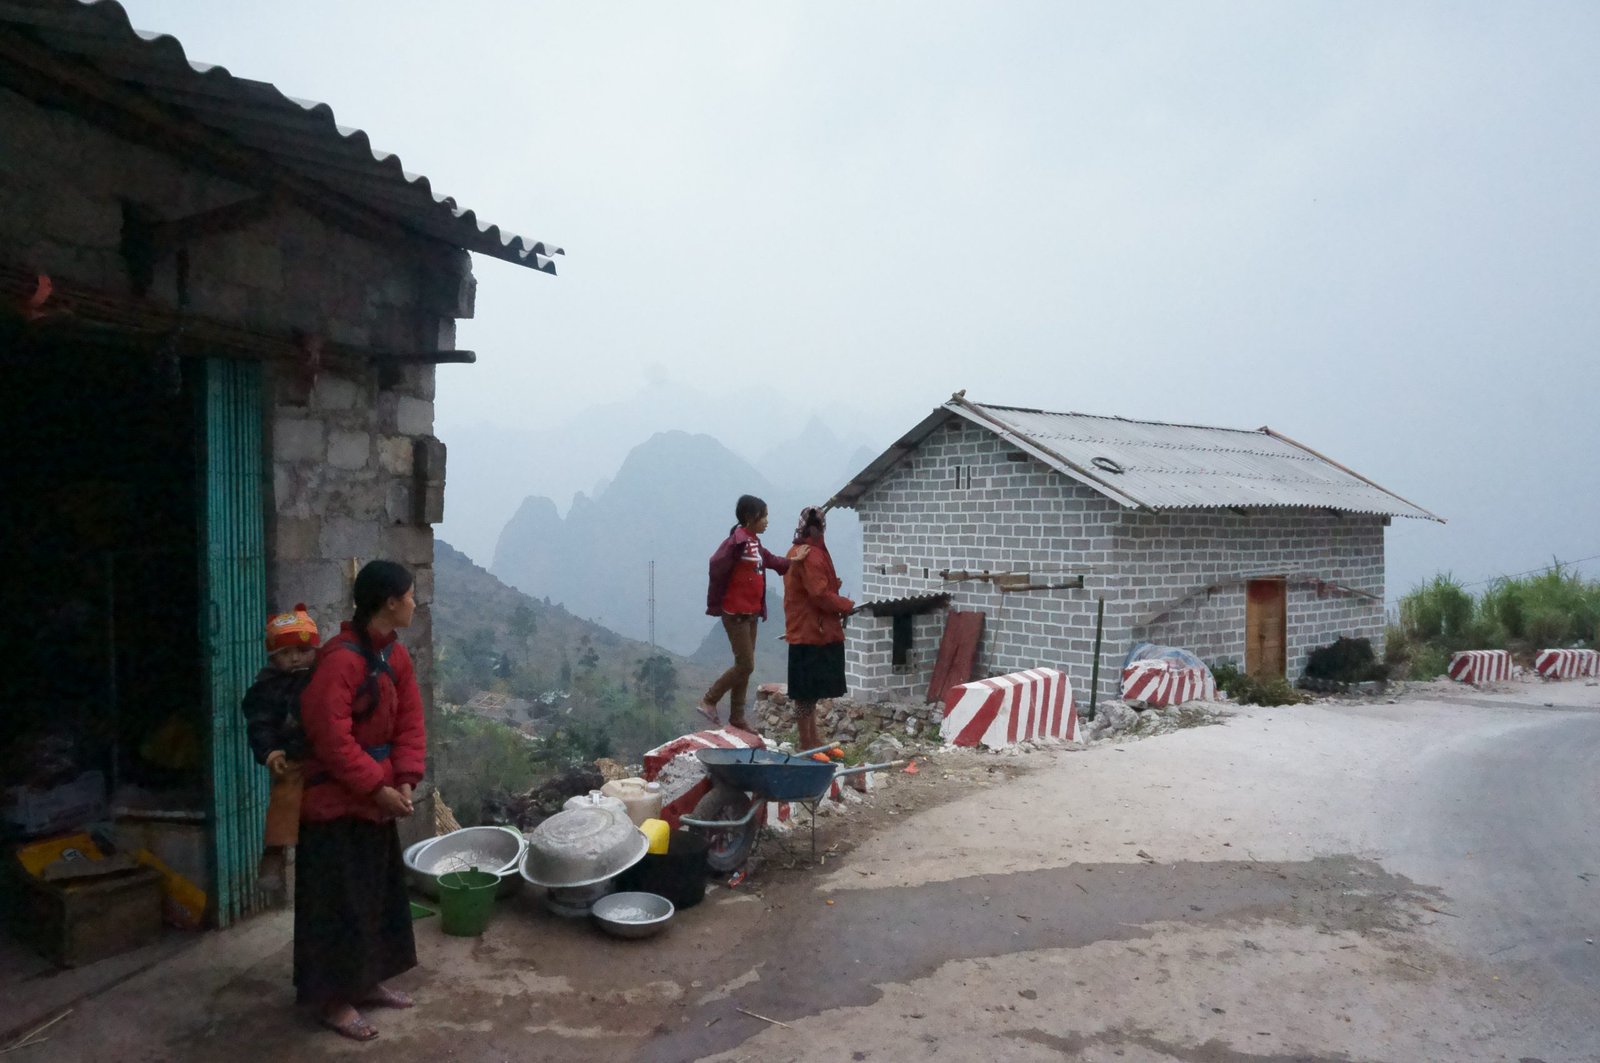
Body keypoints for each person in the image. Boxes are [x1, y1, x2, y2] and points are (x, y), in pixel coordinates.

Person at [295, 561, 426, 1042]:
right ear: (390, 602)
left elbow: (411, 722)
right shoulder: (340, 662)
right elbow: (331, 739)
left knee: (374, 897)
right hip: (337, 804)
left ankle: (366, 982)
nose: (415, 602)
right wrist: (377, 786)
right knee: (337, 905)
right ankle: (332, 1000)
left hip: (377, 801)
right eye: (410, 595)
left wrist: (406, 779)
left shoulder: (396, 657)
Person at [698, 494, 807, 733]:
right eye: (764, 516)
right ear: (750, 517)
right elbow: (716, 564)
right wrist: (720, 598)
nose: (767, 521)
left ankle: (737, 716)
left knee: (744, 665)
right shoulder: (737, 541)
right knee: (746, 664)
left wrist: (795, 561)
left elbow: (773, 561)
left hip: (751, 613)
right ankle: (709, 699)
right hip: (735, 613)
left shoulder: (755, 543)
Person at [240, 603, 319, 897]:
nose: (295, 658)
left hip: (324, 752)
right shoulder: (266, 687)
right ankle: (274, 852)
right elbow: (260, 723)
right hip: (292, 756)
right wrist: (271, 751)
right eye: (285, 653)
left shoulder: (322, 675)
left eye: (302, 650)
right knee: (284, 797)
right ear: (273, 658)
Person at [782, 507, 855, 750]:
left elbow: (816, 587)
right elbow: (819, 594)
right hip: (812, 632)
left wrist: (833, 587)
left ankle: (813, 741)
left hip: (807, 629)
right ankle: (807, 743)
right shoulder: (811, 555)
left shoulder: (799, 552)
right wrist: (845, 605)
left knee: (808, 694)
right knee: (806, 694)